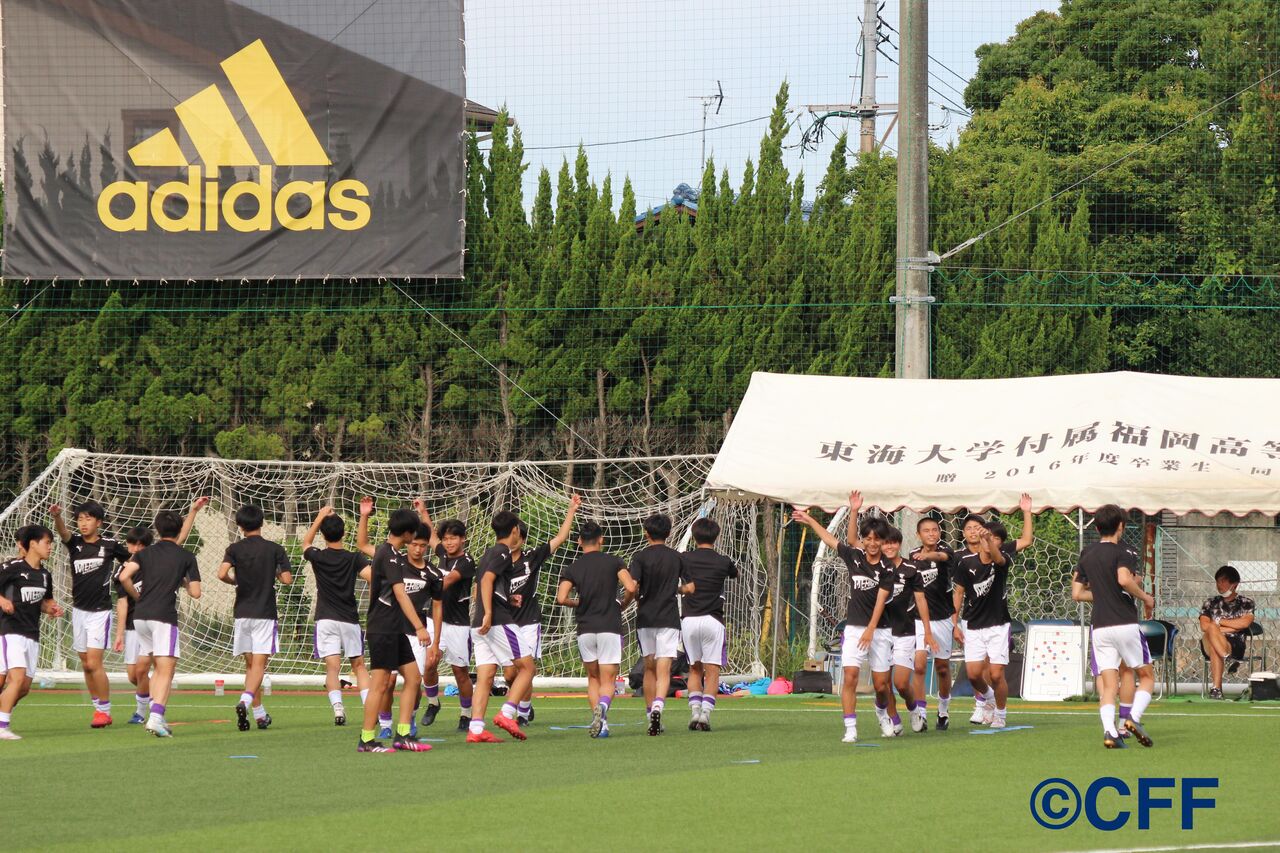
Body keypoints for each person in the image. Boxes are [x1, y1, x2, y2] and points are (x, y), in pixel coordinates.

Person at [793, 496, 891, 743]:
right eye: (867, 538)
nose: (871, 543)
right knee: (849, 677)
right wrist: (811, 520)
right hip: (855, 629)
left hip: (879, 630)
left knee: (881, 685)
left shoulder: (888, 568)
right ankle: (850, 727)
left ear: (883, 541)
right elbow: (833, 539)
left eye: (876, 539)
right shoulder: (855, 557)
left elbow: (880, 602)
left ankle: (882, 713)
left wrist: (871, 629)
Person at [112, 501, 205, 726]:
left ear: (157, 529)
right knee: (165, 670)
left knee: (153, 668)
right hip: (163, 617)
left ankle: (151, 713)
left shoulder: (144, 554)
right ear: (179, 529)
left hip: (141, 617)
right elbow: (196, 593)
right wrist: (181, 580)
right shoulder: (185, 556)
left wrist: (137, 597)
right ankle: (155, 717)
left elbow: (124, 577)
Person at [1071, 504, 1156, 748]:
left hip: (1100, 627)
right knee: (1146, 676)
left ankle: (1110, 733)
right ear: (1121, 526)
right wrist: (1144, 596)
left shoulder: (1086, 553)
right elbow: (1123, 579)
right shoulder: (1124, 552)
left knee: (1109, 684)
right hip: (1125, 622)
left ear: (1097, 527)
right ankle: (1133, 719)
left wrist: (1105, 593)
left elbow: (1077, 593)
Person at [952, 494, 1034, 728]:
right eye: (986, 536)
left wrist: (1026, 511)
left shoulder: (1004, 558)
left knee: (996, 674)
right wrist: (954, 621)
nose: (990, 541)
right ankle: (987, 700)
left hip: (998, 624)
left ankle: (1000, 712)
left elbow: (1011, 549)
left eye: (994, 538)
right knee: (974, 674)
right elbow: (957, 592)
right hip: (973, 625)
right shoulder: (965, 562)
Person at [502, 495, 582, 727]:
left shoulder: (531, 558)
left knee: (526, 668)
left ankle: (523, 712)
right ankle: (525, 704)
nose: (514, 540)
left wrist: (571, 511)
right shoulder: (497, 560)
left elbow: (560, 538)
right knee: (509, 675)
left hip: (528, 622)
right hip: (505, 623)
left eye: (518, 536)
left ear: (522, 538)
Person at [358, 507, 433, 753]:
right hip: (384, 628)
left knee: (413, 678)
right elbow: (400, 594)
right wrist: (420, 627)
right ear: (408, 533)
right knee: (380, 684)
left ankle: (402, 736)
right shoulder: (389, 556)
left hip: (395, 628)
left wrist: (365, 516)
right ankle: (367, 740)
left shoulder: (388, 551)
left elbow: (361, 543)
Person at [557, 520, 636, 738]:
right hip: (609, 626)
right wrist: (624, 603)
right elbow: (630, 586)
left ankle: (601, 723)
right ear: (601, 539)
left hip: (585, 628)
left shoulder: (573, 567)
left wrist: (577, 603)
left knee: (593, 678)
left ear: (579, 541)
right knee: (608, 679)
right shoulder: (613, 561)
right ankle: (603, 707)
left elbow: (561, 598)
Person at [218, 504, 293, 732]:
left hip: (242, 613)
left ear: (240, 526)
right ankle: (245, 700)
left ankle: (259, 715)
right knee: (260, 665)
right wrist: (276, 573)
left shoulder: (234, 548)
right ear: (262, 523)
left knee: (251, 667)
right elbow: (287, 580)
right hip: (264, 613)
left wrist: (236, 582)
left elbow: (221, 574)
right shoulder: (275, 549)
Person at [301, 505, 372, 726]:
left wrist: (320, 517)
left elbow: (305, 544)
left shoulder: (318, 556)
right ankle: (370, 709)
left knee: (332, 667)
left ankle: (338, 710)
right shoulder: (354, 558)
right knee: (359, 665)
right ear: (345, 533)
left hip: (325, 619)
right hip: (349, 618)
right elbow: (372, 578)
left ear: (323, 534)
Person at [0, 525, 65, 740]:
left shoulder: (45, 575)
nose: (50, 547)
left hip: (32, 634)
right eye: (47, 542)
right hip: (11, 630)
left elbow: (44, 603)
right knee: (16, 679)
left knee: (24, 688)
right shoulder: (12, 567)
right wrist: (2, 600)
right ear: (33, 544)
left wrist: (52, 609)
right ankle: (2, 726)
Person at [469, 510, 528, 742]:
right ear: (515, 530)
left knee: (486, 676)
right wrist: (491, 612)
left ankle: (475, 730)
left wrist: (506, 598)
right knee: (527, 668)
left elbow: (482, 586)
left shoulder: (488, 553)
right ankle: (507, 713)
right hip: (496, 621)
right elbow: (486, 581)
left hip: (478, 624)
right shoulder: (503, 552)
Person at [677, 517, 737, 733]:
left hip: (689, 620)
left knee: (694, 668)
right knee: (712, 670)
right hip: (713, 620)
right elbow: (734, 573)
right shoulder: (723, 560)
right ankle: (705, 715)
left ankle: (694, 710)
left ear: (693, 536)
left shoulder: (683, 558)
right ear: (717, 536)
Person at [877, 527, 937, 733]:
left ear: (899, 544)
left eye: (893, 542)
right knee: (883, 684)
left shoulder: (911, 569)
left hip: (905, 631)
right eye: (885, 543)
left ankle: (914, 710)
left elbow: (921, 600)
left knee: (901, 683)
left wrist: (927, 631)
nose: (889, 546)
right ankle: (894, 720)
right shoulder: (874, 569)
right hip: (881, 632)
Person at [630, 512, 683, 736]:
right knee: (664, 668)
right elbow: (689, 586)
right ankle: (659, 705)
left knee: (649, 667)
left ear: (646, 533)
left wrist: (634, 598)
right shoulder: (677, 557)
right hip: (669, 618)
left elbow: (633, 586)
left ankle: (650, 712)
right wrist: (678, 589)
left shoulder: (639, 557)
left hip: (646, 617)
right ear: (669, 533)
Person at [909, 516, 955, 730]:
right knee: (919, 665)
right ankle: (921, 713)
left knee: (943, 668)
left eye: (935, 530)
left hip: (943, 618)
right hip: (919, 619)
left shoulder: (946, 551)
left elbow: (941, 555)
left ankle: (943, 710)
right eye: (926, 531)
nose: (931, 533)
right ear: (919, 534)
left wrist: (928, 555)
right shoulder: (912, 557)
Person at [432, 518, 477, 732]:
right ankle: (433, 702)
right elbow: (432, 539)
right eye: (446, 539)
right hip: (435, 621)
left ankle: (466, 714)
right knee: (429, 664)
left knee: (460, 672)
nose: (449, 543)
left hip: (458, 624)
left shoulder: (467, 562)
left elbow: (447, 581)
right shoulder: (441, 552)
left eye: (453, 538)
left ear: (463, 539)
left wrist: (420, 582)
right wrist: (422, 511)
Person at [399, 523, 443, 735]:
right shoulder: (394, 564)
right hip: (391, 630)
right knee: (387, 681)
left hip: (417, 634)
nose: (418, 549)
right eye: (414, 544)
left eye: (423, 546)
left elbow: (437, 606)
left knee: (414, 680)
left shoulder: (433, 574)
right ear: (407, 543)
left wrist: (436, 642)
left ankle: (410, 720)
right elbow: (364, 545)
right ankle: (386, 724)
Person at [1199, 564, 1256, 699]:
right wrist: (1231, 626)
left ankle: (1216, 689)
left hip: (1234, 643)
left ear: (1234, 584)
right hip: (1208, 640)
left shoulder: (1246, 603)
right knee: (1211, 631)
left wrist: (1218, 622)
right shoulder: (1210, 603)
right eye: (1218, 581)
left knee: (1214, 638)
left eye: (1223, 581)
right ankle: (1226, 657)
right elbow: (1204, 626)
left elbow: (1244, 623)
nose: (1219, 584)